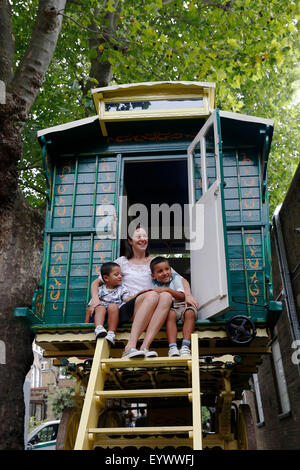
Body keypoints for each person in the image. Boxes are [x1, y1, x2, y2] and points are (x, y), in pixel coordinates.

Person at [88, 225, 198, 359]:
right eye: (138, 236)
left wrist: (187, 295)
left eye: (145, 236)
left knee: (166, 296)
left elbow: (180, 279)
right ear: (130, 241)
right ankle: (130, 346)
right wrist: (95, 299)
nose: (142, 239)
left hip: (152, 308)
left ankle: (145, 347)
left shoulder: (154, 262)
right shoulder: (122, 262)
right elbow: (96, 283)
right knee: (152, 294)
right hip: (128, 308)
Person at [150, 256, 197, 357]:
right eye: (160, 271)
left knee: (190, 313)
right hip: (171, 309)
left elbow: (182, 296)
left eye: (167, 269)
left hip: (183, 305)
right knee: (169, 315)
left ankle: (185, 346)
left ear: (171, 270)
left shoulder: (175, 278)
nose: (165, 273)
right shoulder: (154, 284)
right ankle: (173, 347)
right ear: (153, 276)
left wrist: (167, 290)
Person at [86, 261, 129, 345]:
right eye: (116, 275)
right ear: (106, 278)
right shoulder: (100, 290)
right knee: (100, 307)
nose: (120, 276)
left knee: (113, 306)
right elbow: (90, 308)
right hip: (99, 317)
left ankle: (111, 333)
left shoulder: (122, 289)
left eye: (121, 274)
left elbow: (127, 300)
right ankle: (99, 328)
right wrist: (85, 325)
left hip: (114, 316)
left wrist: (139, 295)